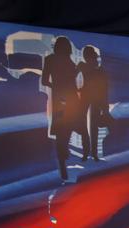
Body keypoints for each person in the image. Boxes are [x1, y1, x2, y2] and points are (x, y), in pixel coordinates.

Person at [41, 36, 88, 180]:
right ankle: (65, 160)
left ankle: (63, 163)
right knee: (69, 129)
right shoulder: (64, 60)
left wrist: (56, 87)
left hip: (63, 99)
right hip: (68, 99)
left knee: (63, 131)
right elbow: (49, 80)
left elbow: (45, 81)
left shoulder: (52, 59)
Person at [77, 45, 112, 161]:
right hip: (91, 99)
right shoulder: (93, 69)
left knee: (91, 126)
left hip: (93, 99)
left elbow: (104, 89)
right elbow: (105, 90)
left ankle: (90, 153)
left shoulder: (96, 69)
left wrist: (105, 107)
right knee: (88, 126)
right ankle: (90, 153)